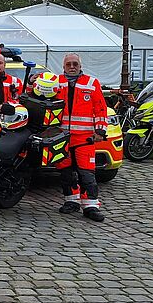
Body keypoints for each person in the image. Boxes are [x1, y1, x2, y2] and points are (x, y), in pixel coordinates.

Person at [55, 53, 108, 222]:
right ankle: (71, 201)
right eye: (69, 64)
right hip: (62, 137)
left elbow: (100, 108)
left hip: (84, 138)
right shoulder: (56, 82)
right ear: (63, 67)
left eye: (75, 63)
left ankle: (91, 205)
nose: (72, 66)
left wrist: (100, 131)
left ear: (80, 65)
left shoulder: (91, 83)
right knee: (65, 173)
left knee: (87, 173)